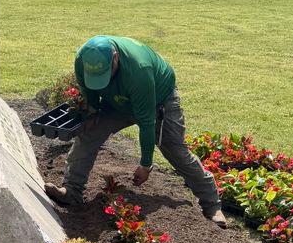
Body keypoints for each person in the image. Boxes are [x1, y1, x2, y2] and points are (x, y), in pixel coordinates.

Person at [44, 35, 227, 228]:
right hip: (116, 101)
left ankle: (211, 205)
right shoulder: (83, 59)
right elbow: (89, 93)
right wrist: (90, 114)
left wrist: (146, 164)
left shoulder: (139, 70)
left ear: (115, 57)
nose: (101, 82)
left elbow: (147, 122)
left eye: (104, 74)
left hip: (157, 100)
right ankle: (71, 191)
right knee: (88, 136)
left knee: (175, 151)